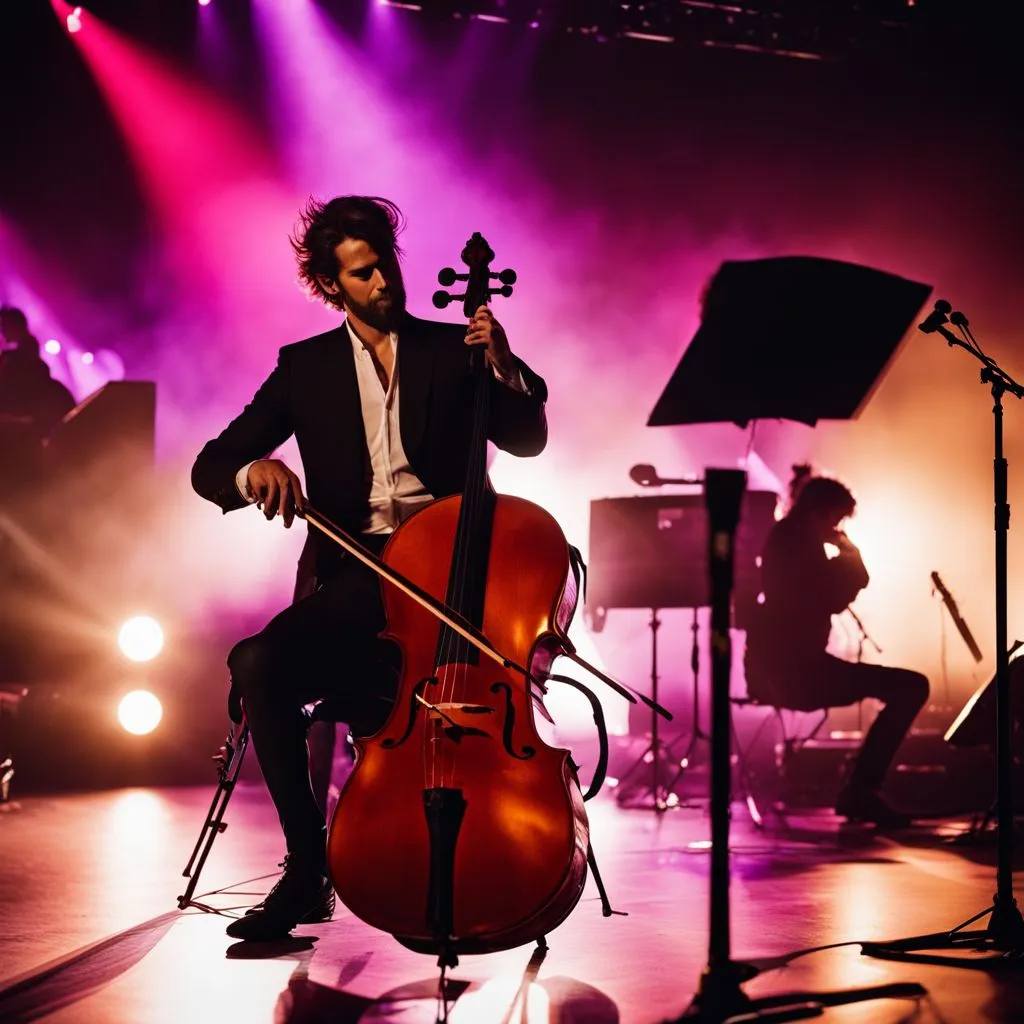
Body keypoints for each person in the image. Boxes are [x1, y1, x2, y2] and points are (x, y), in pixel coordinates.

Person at [191, 195, 548, 941]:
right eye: (361, 273)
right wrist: (255, 470)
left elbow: (527, 441)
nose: (382, 281)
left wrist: (505, 365)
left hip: (458, 571)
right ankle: (306, 866)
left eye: (385, 263)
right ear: (330, 286)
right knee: (258, 662)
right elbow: (212, 464)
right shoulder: (304, 369)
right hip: (361, 575)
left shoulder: (456, 348)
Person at [744, 473, 929, 827]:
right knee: (912, 686)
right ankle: (861, 788)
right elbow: (836, 592)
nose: (838, 527)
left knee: (907, 686)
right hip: (796, 674)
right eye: (837, 519)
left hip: (787, 669)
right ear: (820, 514)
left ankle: (860, 787)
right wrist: (849, 551)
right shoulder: (795, 541)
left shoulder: (789, 538)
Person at [0, 307, 75, 490]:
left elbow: (18, 392)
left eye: (4, 326)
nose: (2, 331)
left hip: (22, 430)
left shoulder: (20, 361)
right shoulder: (17, 358)